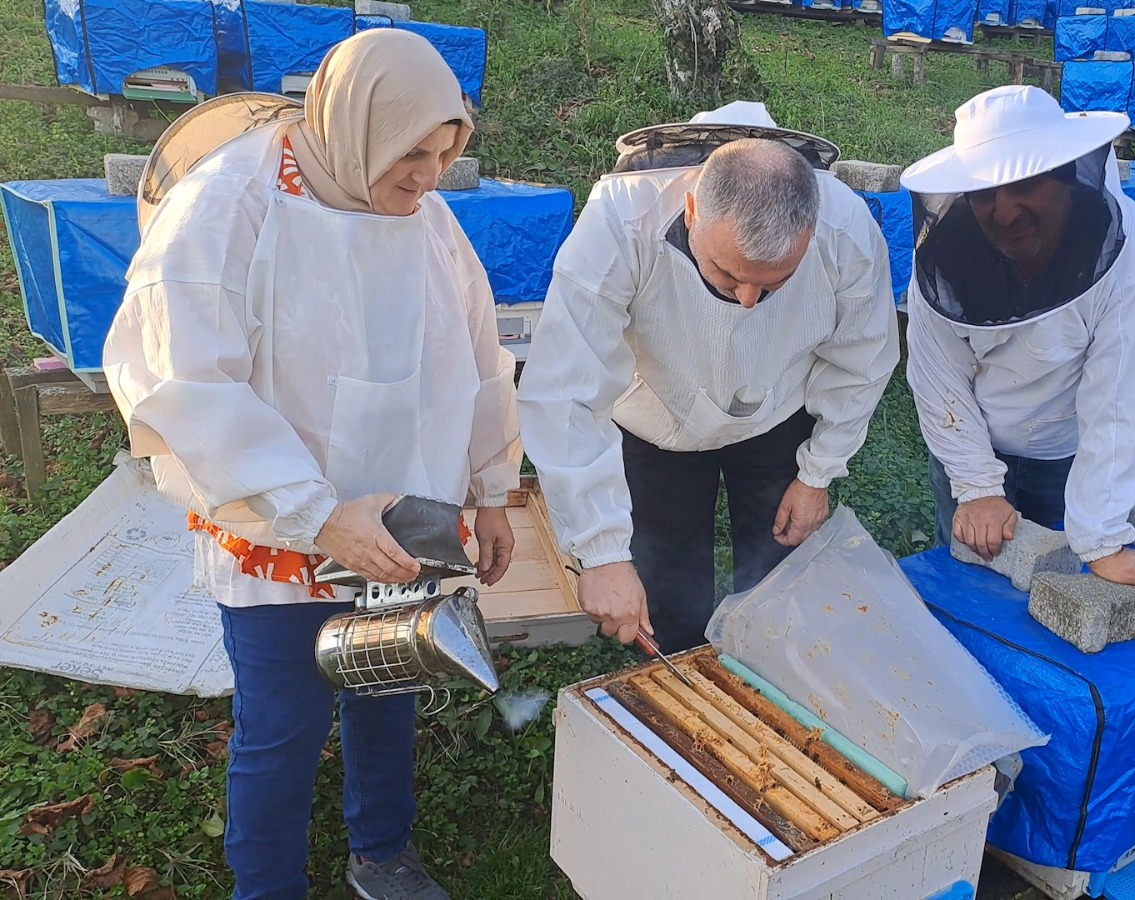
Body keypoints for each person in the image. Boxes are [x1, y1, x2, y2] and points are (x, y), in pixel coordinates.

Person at [102, 30, 521, 900]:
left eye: (447, 152)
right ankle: (267, 887)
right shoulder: (225, 209)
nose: (429, 174)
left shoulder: (428, 218)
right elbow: (182, 384)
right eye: (413, 151)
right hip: (280, 524)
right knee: (283, 724)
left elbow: (478, 356)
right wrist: (317, 514)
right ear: (355, 125)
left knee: (387, 682)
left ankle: (382, 855)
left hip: (399, 522)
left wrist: (490, 490)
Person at [518, 102, 898, 654]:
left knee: (779, 583)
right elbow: (565, 392)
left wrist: (818, 473)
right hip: (654, 415)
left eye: (774, 284)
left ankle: (772, 671)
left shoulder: (846, 231)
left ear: (811, 233)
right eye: (729, 274)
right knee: (665, 583)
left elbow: (864, 355)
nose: (747, 302)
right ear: (692, 211)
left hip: (774, 410)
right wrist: (601, 553)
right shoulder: (622, 221)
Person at [901, 84, 1135, 591]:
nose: (1004, 213)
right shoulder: (944, 254)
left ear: (1068, 174)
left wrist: (1102, 538)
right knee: (970, 595)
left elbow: (1120, 400)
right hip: (970, 442)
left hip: (1066, 457)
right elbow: (936, 372)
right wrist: (977, 485)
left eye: (1023, 185)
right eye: (985, 194)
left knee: (1063, 592)